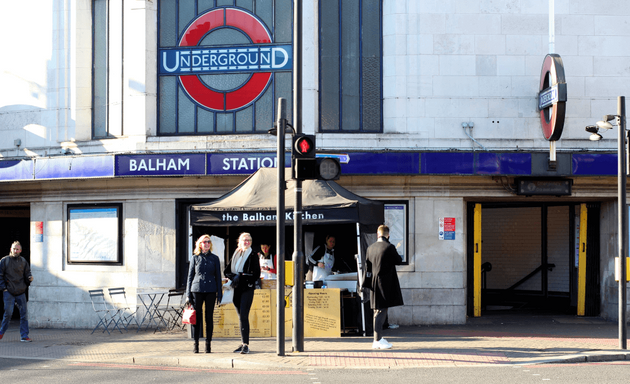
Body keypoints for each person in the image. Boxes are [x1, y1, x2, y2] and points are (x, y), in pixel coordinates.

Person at [363, 225, 403, 349]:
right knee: (381, 311)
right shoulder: (389, 247)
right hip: (384, 283)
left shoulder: (370, 248)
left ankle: (378, 338)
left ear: (377, 234)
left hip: (374, 283)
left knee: (377, 310)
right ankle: (377, 340)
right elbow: (398, 260)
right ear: (388, 235)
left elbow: (367, 268)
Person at [224, 232, 260, 354]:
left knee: (244, 315)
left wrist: (241, 276)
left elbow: (256, 275)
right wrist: (235, 276)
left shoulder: (253, 255)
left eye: (249, 240)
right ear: (239, 241)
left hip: (247, 289)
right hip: (236, 289)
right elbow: (226, 271)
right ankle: (243, 342)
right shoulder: (236, 254)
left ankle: (246, 345)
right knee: (241, 317)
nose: (247, 242)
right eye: (244, 240)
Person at [186, 235, 222, 354]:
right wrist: (188, 295)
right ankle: (196, 344)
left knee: (209, 318)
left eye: (208, 242)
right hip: (197, 290)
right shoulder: (195, 258)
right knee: (197, 319)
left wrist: (219, 294)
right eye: (204, 242)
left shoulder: (215, 258)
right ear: (200, 244)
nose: (207, 244)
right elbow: (190, 277)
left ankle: (208, 345)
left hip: (211, 290)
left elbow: (218, 277)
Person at [0, 241, 33, 342]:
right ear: (11, 249)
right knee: (8, 313)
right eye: (14, 248)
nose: (15, 250)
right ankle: (1, 333)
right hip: (8, 292)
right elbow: (0, 275)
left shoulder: (23, 261)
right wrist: (4, 288)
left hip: (21, 291)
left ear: (20, 250)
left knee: (24, 314)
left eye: (17, 249)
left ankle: (24, 336)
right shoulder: (4, 261)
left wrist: (29, 278)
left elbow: (27, 273)